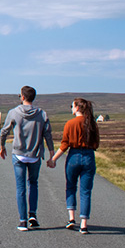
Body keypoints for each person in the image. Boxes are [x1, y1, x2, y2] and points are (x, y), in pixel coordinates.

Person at [0, 86, 55, 231]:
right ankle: (33, 215)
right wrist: (51, 153)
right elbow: (47, 134)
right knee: (34, 184)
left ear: (23, 97)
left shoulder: (13, 113)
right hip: (35, 156)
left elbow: (4, 131)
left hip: (18, 155)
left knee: (21, 187)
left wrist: (2, 146)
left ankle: (22, 221)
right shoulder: (42, 114)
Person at [47, 98, 99, 234]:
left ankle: (71, 218)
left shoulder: (70, 123)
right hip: (88, 156)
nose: (71, 108)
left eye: (72, 106)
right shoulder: (92, 124)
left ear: (77, 108)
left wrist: (53, 159)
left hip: (73, 157)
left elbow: (65, 144)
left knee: (70, 186)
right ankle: (84, 224)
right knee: (86, 191)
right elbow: (96, 144)